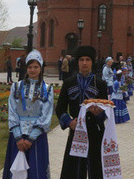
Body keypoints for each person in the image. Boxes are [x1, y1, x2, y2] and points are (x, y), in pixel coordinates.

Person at [55, 45, 109, 179]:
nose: (84, 63)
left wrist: (98, 113)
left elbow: (106, 110)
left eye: (88, 60)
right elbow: (60, 108)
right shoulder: (69, 83)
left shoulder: (100, 84)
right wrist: (68, 122)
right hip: (76, 129)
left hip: (95, 131)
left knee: (95, 166)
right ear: (77, 62)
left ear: (92, 62)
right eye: (81, 60)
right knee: (73, 167)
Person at [2, 50, 53, 179]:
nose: (33, 70)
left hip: (36, 138)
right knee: (16, 170)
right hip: (18, 136)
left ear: (40, 68)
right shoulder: (16, 87)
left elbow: (46, 115)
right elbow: (12, 111)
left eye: (36, 67)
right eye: (30, 67)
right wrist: (18, 137)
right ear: (26, 68)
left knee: (36, 170)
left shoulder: (47, 89)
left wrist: (31, 138)